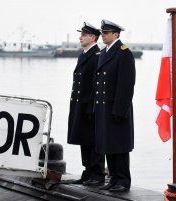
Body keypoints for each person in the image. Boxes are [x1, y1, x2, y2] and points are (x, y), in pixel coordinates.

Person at [94, 19, 136, 192]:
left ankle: (123, 180)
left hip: (117, 108)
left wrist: (119, 110)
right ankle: (113, 178)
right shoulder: (104, 53)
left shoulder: (123, 53)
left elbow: (126, 85)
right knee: (108, 144)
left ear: (116, 34)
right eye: (102, 32)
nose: (102, 35)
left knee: (119, 145)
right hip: (104, 108)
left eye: (106, 32)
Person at [67, 22, 105, 186]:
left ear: (92, 37)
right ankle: (87, 171)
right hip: (80, 104)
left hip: (90, 106)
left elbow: (97, 84)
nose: (80, 37)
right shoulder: (84, 54)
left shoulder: (97, 55)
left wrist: (92, 108)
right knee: (83, 138)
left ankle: (97, 173)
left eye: (83, 35)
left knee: (92, 139)